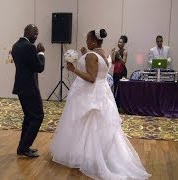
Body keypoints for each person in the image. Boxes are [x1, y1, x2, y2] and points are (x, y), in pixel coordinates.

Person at [51, 29, 151, 179]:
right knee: (98, 126)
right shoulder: (106, 53)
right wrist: (85, 53)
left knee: (87, 124)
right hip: (103, 93)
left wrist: (74, 70)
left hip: (90, 94)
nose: (86, 42)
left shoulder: (91, 55)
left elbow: (91, 78)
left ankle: (86, 156)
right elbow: (99, 71)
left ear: (92, 40)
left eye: (87, 40)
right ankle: (97, 154)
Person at [11, 24, 45, 158]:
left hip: (20, 87)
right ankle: (24, 146)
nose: (36, 36)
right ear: (27, 32)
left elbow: (27, 64)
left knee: (29, 117)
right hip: (30, 88)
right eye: (34, 33)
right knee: (38, 116)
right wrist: (41, 53)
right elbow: (39, 67)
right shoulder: (30, 47)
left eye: (37, 34)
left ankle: (22, 146)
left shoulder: (15, 45)